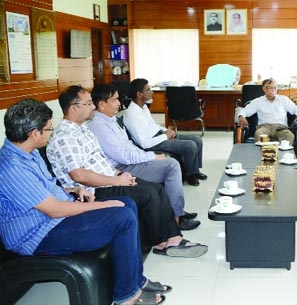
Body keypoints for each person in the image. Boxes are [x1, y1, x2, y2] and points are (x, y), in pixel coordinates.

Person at [0, 99, 168, 305]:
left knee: (127, 204)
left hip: (50, 220)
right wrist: (103, 205)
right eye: (48, 128)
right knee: (122, 216)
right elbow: (53, 209)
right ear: (33, 133)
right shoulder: (12, 167)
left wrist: (73, 189)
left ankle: (136, 281)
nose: (51, 132)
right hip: (37, 234)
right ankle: (126, 295)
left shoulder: (29, 153)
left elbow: (47, 190)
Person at [46, 85, 208, 257]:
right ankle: (165, 241)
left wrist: (119, 174)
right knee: (148, 194)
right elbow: (79, 176)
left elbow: (102, 162)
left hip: (109, 178)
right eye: (88, 103)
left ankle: (170, 239)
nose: (93, 106)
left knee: (157, 189)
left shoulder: (83, 130)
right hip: (92, 191)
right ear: (74, 107)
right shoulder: (65, 136)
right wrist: (116, 180)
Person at [88, 83, 199, 229]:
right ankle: (177, 219)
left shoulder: (111, 119)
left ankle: (176, 212)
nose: (119, 103)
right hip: (121, 168)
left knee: (170, 162)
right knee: (171, 165)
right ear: (102, 104)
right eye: (115, 100)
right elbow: (123, 156)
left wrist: (150, 155)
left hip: (129, 161)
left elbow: (128, 146)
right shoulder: (99, 126)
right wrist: (151, 156)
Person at [123, 78, 207, 187]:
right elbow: (144, 143)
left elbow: (153, 125)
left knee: (197, 140)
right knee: (190, 146)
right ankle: (189, 174)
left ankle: (195, 170)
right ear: (139, 94)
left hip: (160, 136)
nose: (152, 92)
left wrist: (166, 130)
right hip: (153, 143)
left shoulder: (143, 107)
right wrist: (165, 136)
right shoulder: (132, 115)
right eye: (148, 89)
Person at [237, 78, 297, 144]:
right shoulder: (258, 101)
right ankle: (263, 155)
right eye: (269, 87)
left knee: (289, 136)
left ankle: (282, 155)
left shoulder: (283, 99)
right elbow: (244, 110)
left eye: (274, 88)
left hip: (281, 128)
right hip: (264, 127)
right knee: (259, 134)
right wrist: (241, 117)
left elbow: (295, 108)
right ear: (264, 89)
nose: (272, 90)